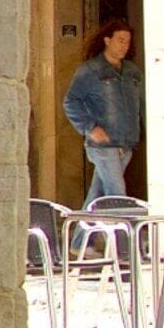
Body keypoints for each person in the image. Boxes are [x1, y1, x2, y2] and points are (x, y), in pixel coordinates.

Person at [61, 22, 143, 202]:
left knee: (96, 195)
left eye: (127, 42)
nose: (124, 46)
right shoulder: (90, 70)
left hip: (126, 142)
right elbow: (71, 101)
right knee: (117, 194)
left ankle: (81, 230)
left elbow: (140, 103)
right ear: (108, 40)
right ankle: (123, 230)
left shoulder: (132, 72)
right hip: (103, 145)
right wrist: (89, 127)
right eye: (120, 40)